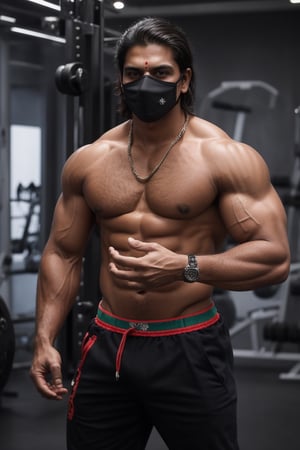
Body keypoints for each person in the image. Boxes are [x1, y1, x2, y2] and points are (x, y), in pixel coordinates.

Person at [30, 16, 290, 450]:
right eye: (134, 74)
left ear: (183, 80)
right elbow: (62, 253)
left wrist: (184, 267)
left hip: (189, 347)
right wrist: (43, 339)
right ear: (120, 79)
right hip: (108, 345)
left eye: (160, 74)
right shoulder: (90, 160)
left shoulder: (225, 157)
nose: (145, 84)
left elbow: (275, 258)